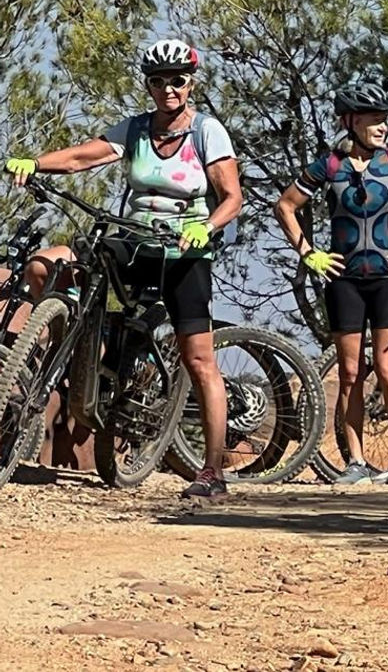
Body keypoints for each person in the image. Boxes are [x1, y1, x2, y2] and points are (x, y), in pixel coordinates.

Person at [4, 39, 242, 501]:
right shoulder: (136, 129)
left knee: (198, 359)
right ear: (148, 86)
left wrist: (206, 227)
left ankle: (213, 471)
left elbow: (232, 198)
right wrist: (34, 163)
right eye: (158, 81)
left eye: (177, 80)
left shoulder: (207, 132)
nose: (168, 89)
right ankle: (78, 344)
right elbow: (83, 157)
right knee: (49, 264)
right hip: (133, 242)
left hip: (183, 253)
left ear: (191, 84)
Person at [274, 80, 388, 485]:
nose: (383, 126)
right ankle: (355, 462)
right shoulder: (330, 165)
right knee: (350, 372)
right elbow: (285, 206)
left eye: (386, 118)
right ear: (351, 121)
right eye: (375, 119)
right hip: (344, 280)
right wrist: (309, 253)